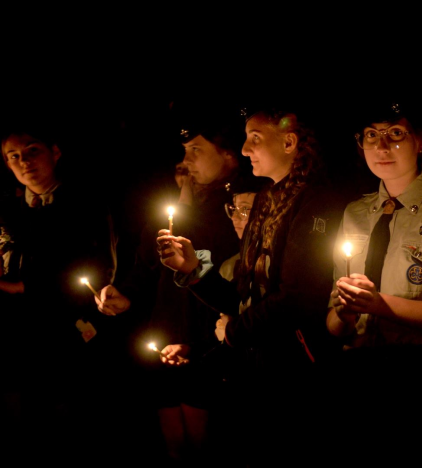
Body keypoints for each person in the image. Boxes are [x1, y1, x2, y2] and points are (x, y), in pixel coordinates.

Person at [157, 98, 346, 461]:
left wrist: (230, 336)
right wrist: (193, 270)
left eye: (255, 138)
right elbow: (245, 296)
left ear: (289, 143)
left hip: (295, 378)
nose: (244, 150)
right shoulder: (266, 200)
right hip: (255, 370)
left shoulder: (317, 202)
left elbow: (297, 298)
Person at [96, 101, 249, 465]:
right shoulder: (181, 206)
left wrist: (195, 343)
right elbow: (148, 266)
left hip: (210, 344)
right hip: (164, 335)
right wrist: (125, 294)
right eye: (184, 153)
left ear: (229, 155)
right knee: (173, 445)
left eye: (197, 150)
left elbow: (231, 285)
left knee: (207, 446)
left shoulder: (240, 209)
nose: (188, 160)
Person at [325, 99, 422, 450]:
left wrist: (378, 304)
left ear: (420, 141)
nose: (381, 146)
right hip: (359, 374)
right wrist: (346, 311)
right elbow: (333, 325)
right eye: (371, 135)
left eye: (395, 133)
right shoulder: (355, 213)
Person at [1, 116, 121, 463]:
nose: (24, 163)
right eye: (13, 156)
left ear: (55, 152)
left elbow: (99, 268)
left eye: (32, 151)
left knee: (70, 423)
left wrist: (23, 286)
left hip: (69, 335)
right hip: (15, 338)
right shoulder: (6, 207)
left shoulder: (87, 204)